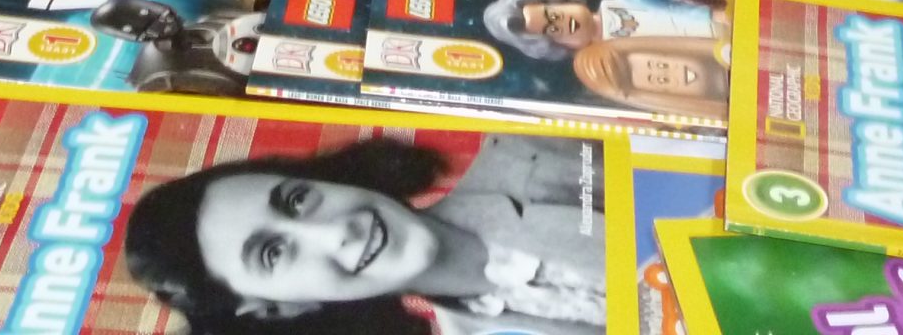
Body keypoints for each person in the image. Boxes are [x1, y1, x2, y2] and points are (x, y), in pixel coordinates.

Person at [123, 134, 608, 335]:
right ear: (278, 309)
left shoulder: (542, 146)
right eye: (272, 253)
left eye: (297, 199)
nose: (335, 231)